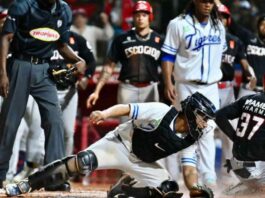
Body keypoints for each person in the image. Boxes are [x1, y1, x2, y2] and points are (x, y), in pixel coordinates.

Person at [4, 92, 216, 197]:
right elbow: (126, 108)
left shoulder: (191, 137)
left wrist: (194, 189)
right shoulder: (161, 111)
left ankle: (123, 189)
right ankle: (26, 184)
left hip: (143, 162)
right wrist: (104, 113)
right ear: (190, 112)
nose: (204, 122)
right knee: (82, 162)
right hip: (120, 145)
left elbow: (189, 171)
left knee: (169, 190)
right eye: (202, 117)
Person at [0, 0, 86, 189]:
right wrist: (3, 73)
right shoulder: (22, 5)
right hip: (19, 65)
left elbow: (62, 46)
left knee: (55, 121)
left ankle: (53, 178)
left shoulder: (64, 10)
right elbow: (5, 37)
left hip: (45, 69)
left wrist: (79, 60)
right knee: (9, 123)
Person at [8, 31, 96, 182]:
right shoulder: (44, 36)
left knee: (68, 132)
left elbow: (90, 60)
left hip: (69, 90)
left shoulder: (77, 39)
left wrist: (86, 77)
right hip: (46, 88)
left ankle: (63, 172)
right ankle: (31, 167)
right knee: (37, 130)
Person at [161, 0, 226, 187]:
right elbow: (167, 55)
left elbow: (219, 54)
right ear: (195, 1)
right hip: (186, 84)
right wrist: (168, 81)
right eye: (203, 1)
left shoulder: (218, 26)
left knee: (208, 129)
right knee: (186, 128)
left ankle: (209, 177)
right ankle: (186, 173)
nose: (207, 5)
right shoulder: (178, 23)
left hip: (211, 86)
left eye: (210, 1)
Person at [87, 1, 163, 122]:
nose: (140, 18)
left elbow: (167, 67)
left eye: (144, 15)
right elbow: (108, 67)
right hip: (127, 88)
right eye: (137, 15)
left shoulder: (159, 40)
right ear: (133, 17)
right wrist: (97, 91)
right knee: (125, 128)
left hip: (150, 87)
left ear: (150, 17)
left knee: (151, 128)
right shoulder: (122, 39)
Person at [216, 4, 256, 174]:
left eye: (223, 17)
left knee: (230, 133)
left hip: (227, 89)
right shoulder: (205, 38)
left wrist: (250, 74)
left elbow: (244, 62)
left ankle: (228, 175)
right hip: (209, 88)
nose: (220, 20)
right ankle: (201, 174)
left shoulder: (235, 41)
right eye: (217, 16)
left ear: (228, 20)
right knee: (204, 132)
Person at [215, 82, 265, 195]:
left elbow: (219, 115)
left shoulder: (247, 99)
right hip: (254, 169)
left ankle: (237, 192)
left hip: (235, 164)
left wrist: (235, 138)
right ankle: (249, 191)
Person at [216, 1, 265, 97]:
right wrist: (217, 2)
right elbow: (232, 24)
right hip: (247, 88)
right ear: (258, 26)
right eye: (262, 24)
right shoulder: (249, 38)